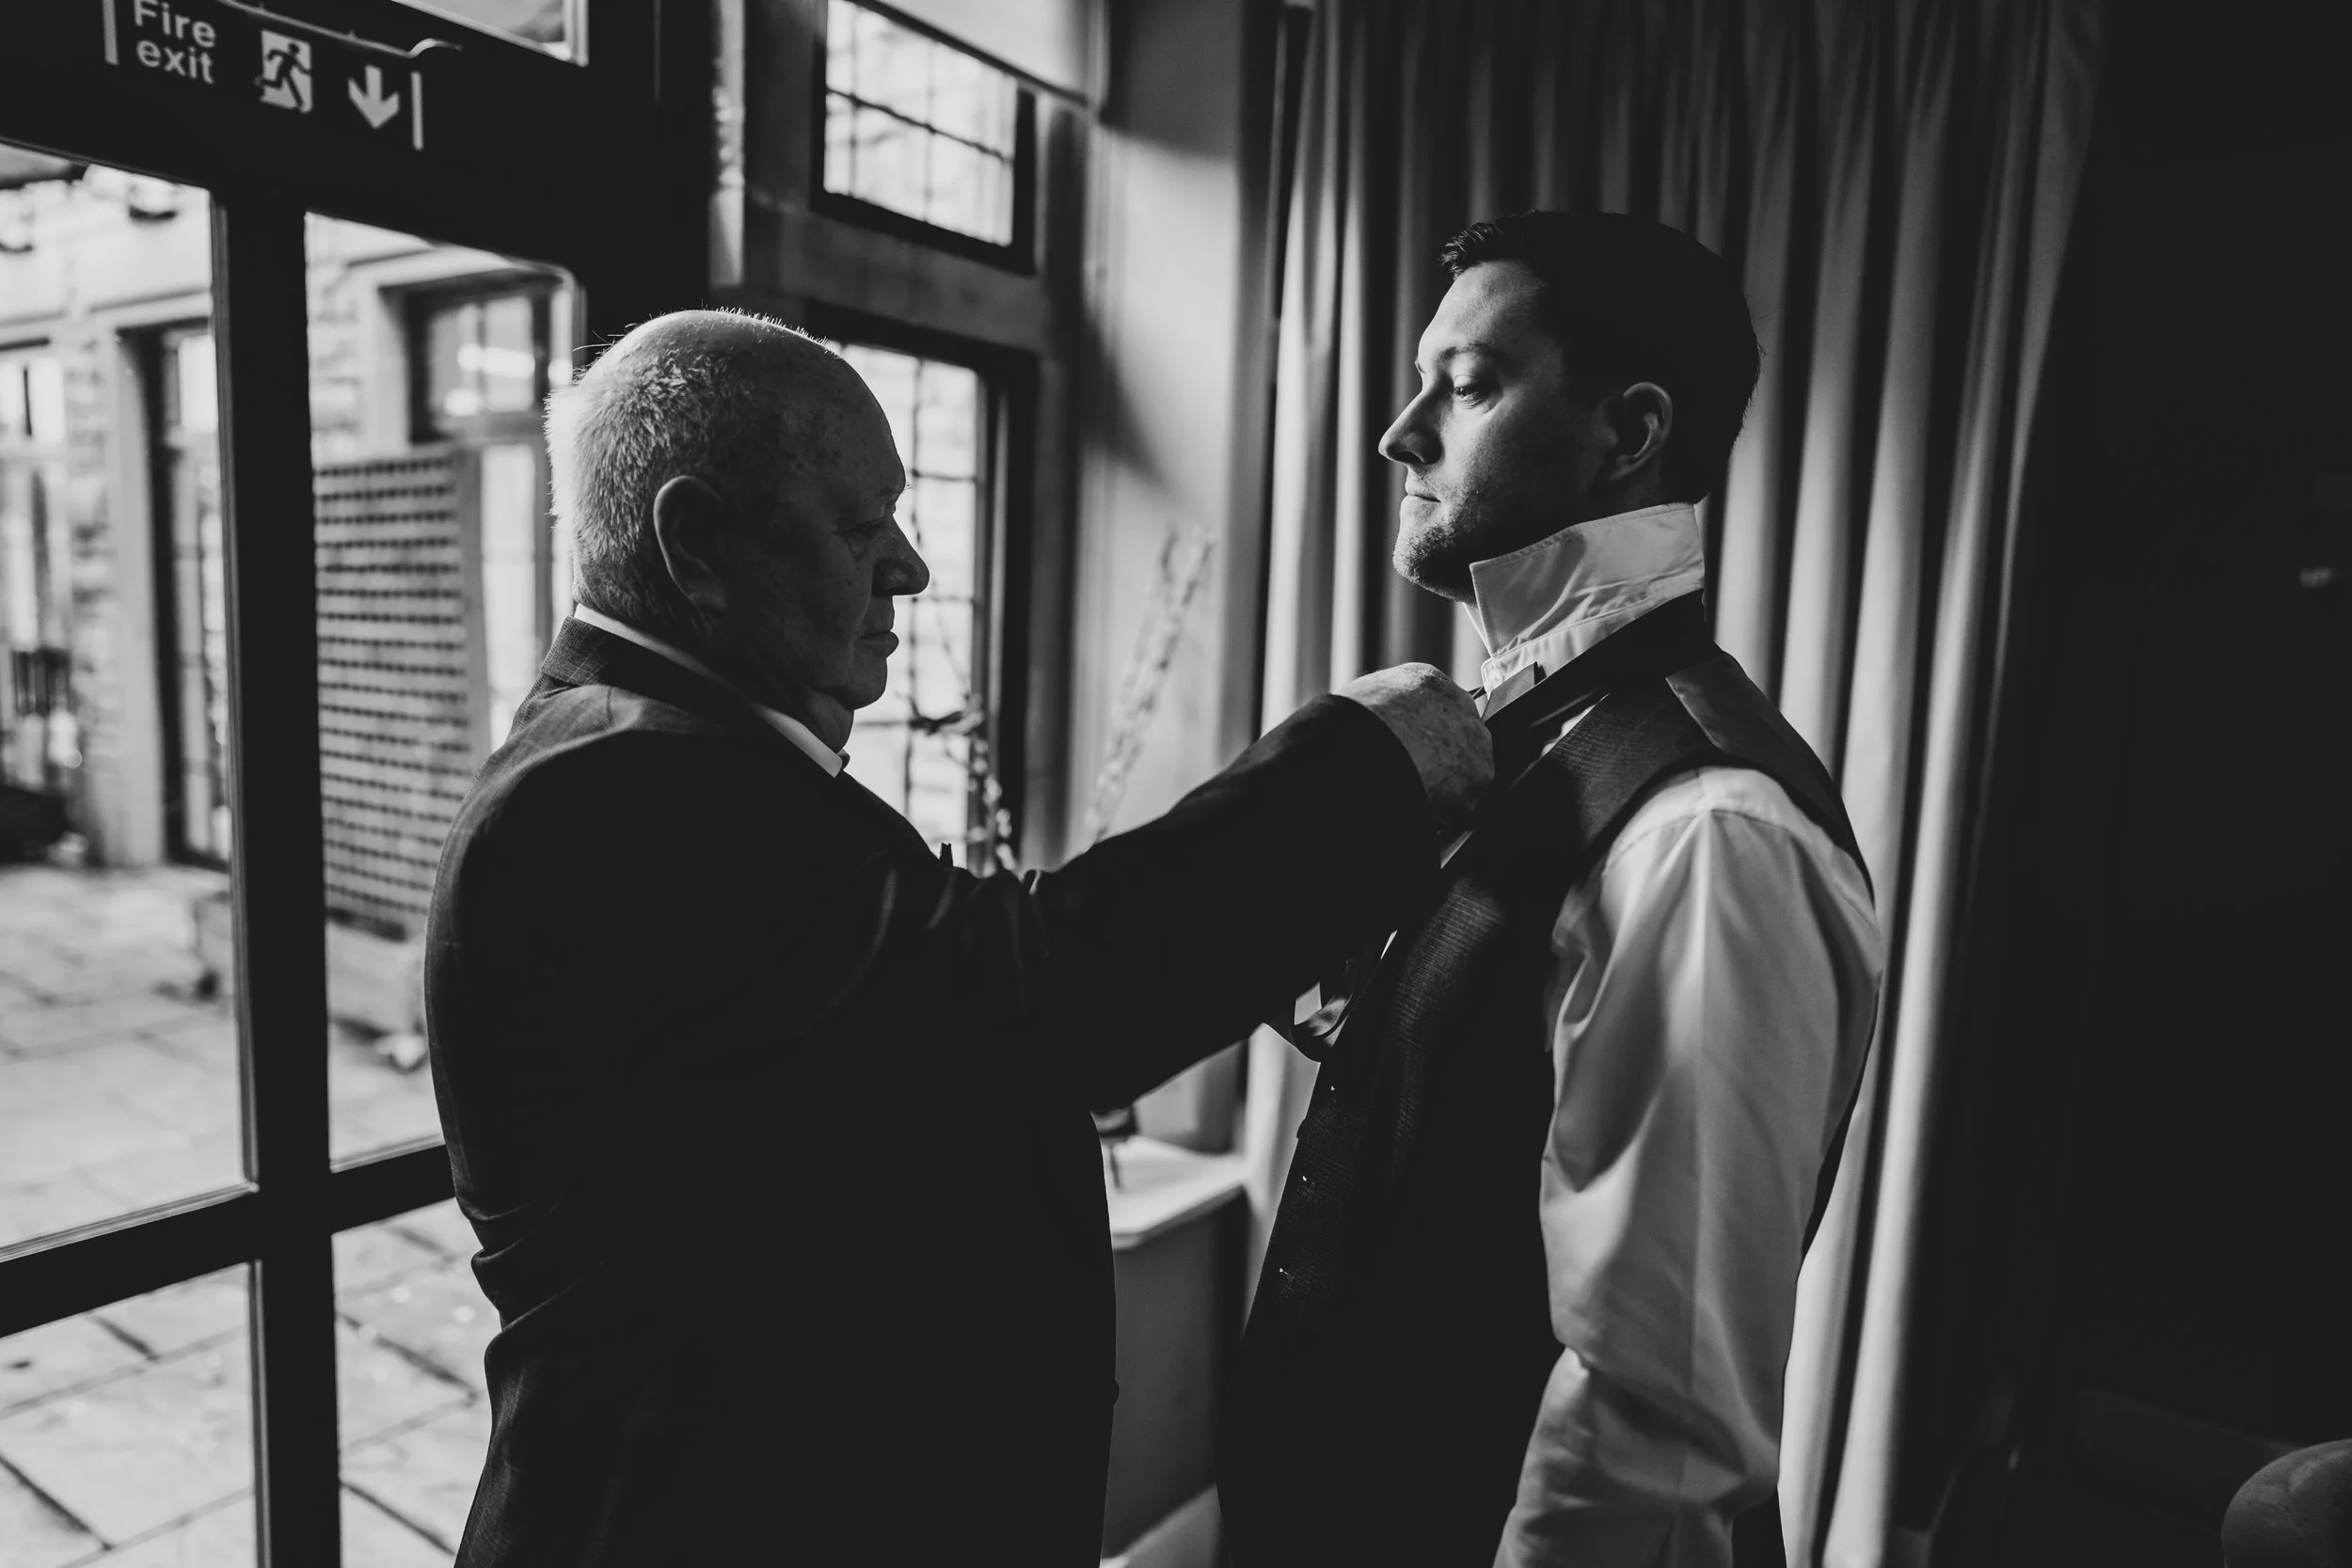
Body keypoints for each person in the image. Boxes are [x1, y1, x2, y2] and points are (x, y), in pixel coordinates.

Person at [422, 310, 1492, 1566]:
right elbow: (1035, 998)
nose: (912, 570)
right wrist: (1364, 761)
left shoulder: (679, 757)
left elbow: (907, 1033)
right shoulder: (605, 794)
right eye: (862, 527)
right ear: (696, 542)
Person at [1219, 213, 1886, 1567]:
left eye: (1465, 386)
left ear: (1630, 430)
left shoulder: (1709, 831)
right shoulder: (1517, 742)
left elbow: (1660, 1415)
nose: (1400, 432)